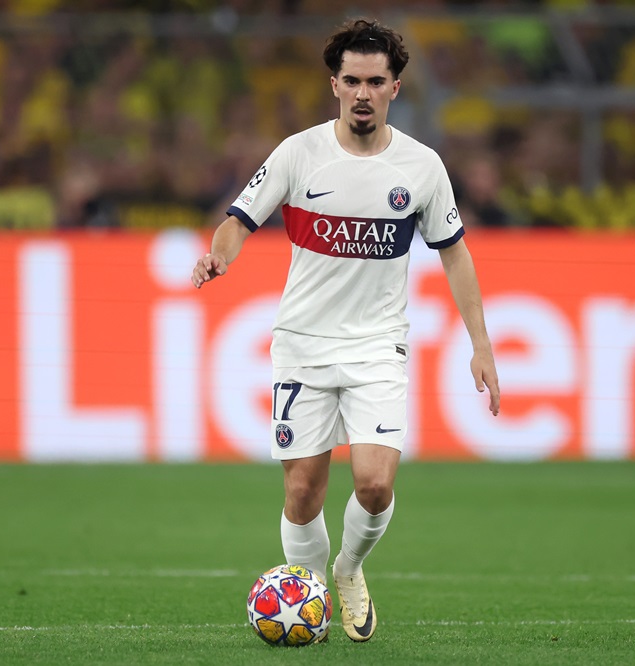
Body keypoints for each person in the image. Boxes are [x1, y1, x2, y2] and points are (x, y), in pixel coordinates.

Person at [191, 18, 501, 643]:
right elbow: (238, 219)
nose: (363, 92)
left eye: (376, 81)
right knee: (303, 488)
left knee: (375, 483)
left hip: (376, 347)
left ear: (395, 87)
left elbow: (454, 252)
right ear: (334, 83)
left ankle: (349, 569)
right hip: (302, 345)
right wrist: (219, 254)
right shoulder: (297, 153)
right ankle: (310, 606)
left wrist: (482, 345)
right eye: (352, 80)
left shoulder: (422, 167)